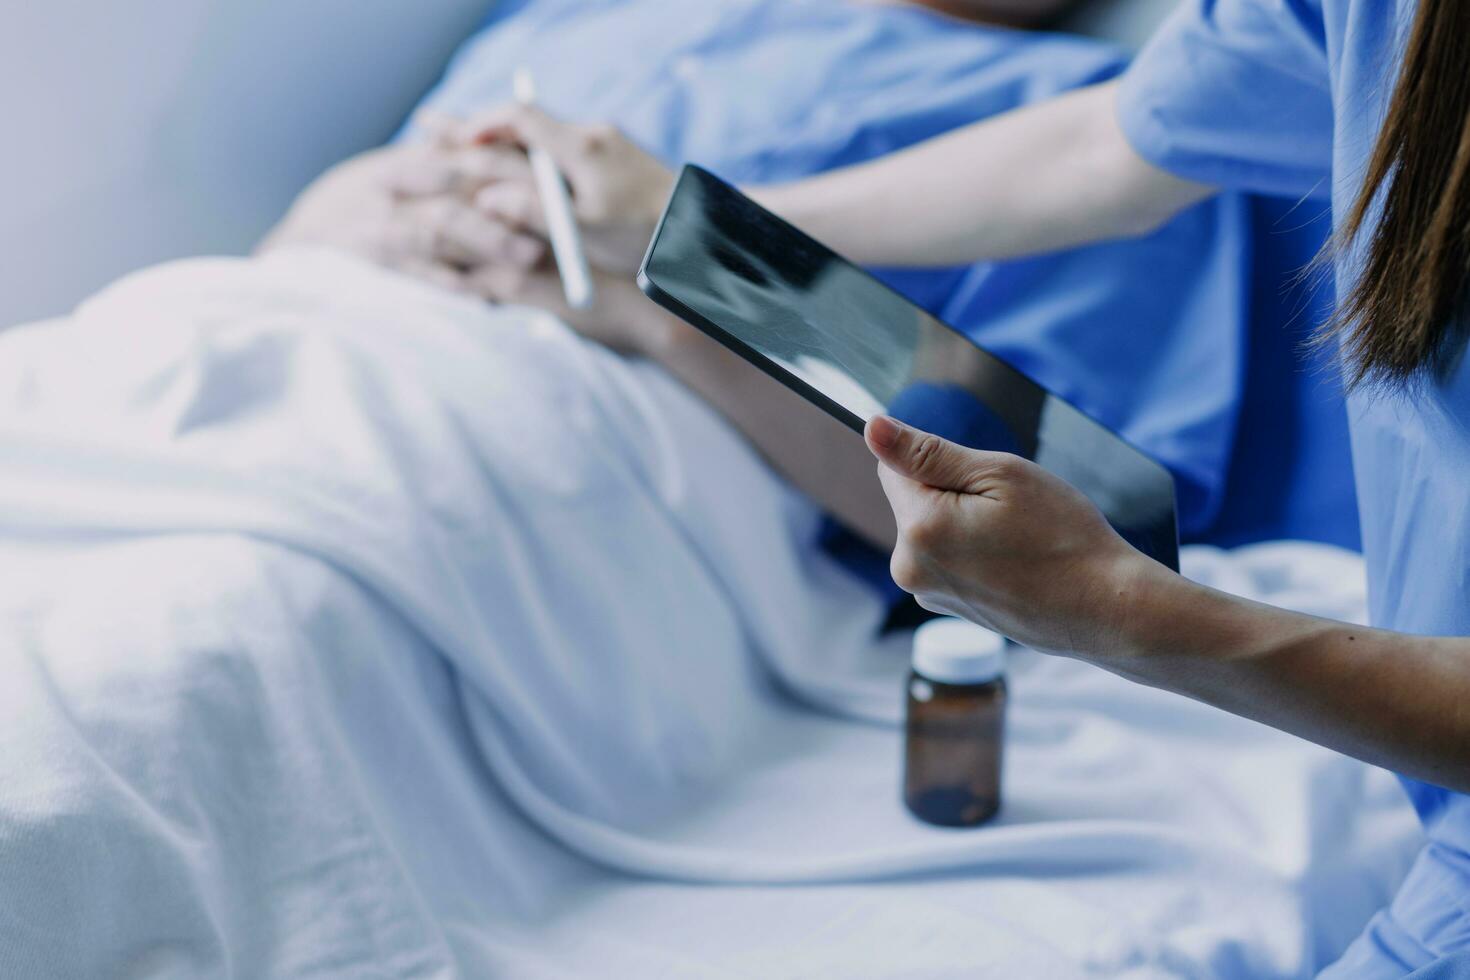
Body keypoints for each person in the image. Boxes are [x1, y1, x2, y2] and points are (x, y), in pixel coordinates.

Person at [379, 0, 1469, 973]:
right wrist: (695, 226)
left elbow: (1091, 493)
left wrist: (1135, 617)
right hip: (388, 375)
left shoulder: (1022, 82)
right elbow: (1103, 153)